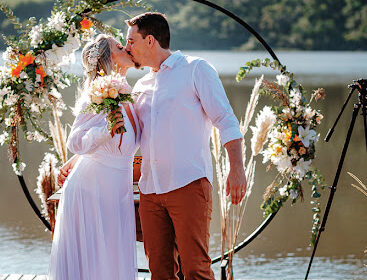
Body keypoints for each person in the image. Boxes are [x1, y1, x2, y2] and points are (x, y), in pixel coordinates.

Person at [59, 12, 247, 280]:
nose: (127, 47)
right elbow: (118, 136)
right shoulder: (139, 87)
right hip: (150, 193)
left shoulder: (196, 69)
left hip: (188, 184)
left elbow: (226, 120)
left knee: (195, 269)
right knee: (159, 272)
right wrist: (76, 160)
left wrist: (236, 168)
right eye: (123, 44)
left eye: (130, 41)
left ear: (149, 41)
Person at [49, 34, 140, 280]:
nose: (127, 48)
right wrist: (105, 131)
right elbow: (76, 141)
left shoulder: (128, 94)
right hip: (91, 192)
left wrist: (75, 159)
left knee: (111, 261)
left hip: (116, 192)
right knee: (93, 265)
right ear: (108, 59)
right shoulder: (96, 94)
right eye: (120, 47)